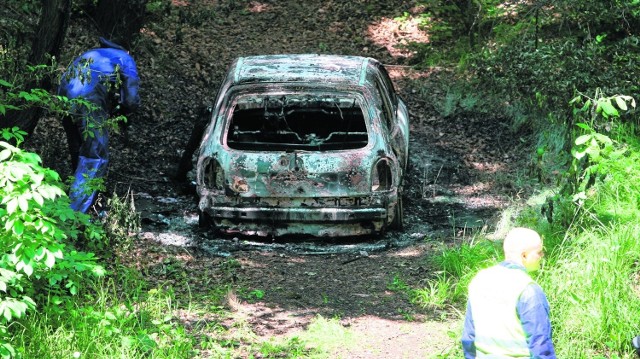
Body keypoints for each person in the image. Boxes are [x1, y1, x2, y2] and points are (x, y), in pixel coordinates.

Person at [58, 37, 140, 213]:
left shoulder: (91, 54)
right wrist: (123, 111)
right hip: (89, 101)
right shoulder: (125, 58)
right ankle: (75, 213)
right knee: (95, 156)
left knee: (78, 149)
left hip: (64, 98)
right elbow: (131, 100)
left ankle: (88, 201)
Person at [461, 227, 556, 358]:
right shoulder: (528, 289)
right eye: (539, 252)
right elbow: (541, 345)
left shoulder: (479, 279)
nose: (542, 256)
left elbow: (468, 337)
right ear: (524, 255)